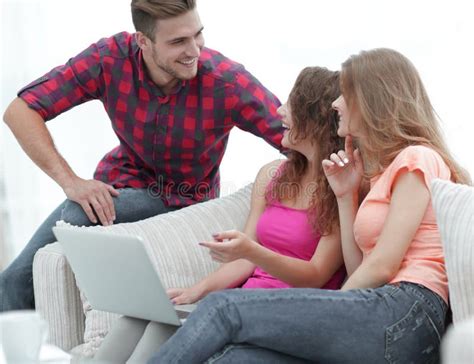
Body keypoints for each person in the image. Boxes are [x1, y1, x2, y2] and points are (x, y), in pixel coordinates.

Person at [149, 48, 472, 364]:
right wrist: (346, 197)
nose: (336, 104)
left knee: (223, 308)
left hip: (407, 312)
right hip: (379, 313)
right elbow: (361, 270)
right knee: (235, 357)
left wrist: (331, 306)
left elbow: (384, 267)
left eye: (344, 94)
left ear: (371, 99)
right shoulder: (376, 176)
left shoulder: (417, 157)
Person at [0, 0, 285, 312]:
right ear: (143, 42)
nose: (194, 50)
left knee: (78, 215)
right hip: (121, 183)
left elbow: (297, 137)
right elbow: (20, 111)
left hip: (180, 196)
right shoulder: (109, 59)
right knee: (17, 277)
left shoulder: (226, 82)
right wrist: (70, 181)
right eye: (178, 41)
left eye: (197, 35)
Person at [92, 66, 346, 363]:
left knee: (165, 332)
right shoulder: (272, 176)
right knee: (137, 320)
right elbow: (245, 259)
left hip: (288, 311)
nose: (278, 110)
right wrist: (196, 290)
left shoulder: (340, 186)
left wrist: (252, 251)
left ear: (316, 120)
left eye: (292, 104)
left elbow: (316, 276)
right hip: (241, 302)